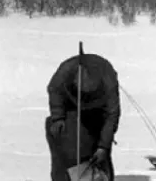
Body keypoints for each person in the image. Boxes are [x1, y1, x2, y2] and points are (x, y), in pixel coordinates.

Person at [45, 52, 121, 181]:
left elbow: (111, 116)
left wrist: (103, 146)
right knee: (65, 145)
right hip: (70, 108)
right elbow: (54, 91)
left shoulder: (108, 80)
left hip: (97, 112)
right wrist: (58, 117)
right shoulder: (65, 72)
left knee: (97, 152)